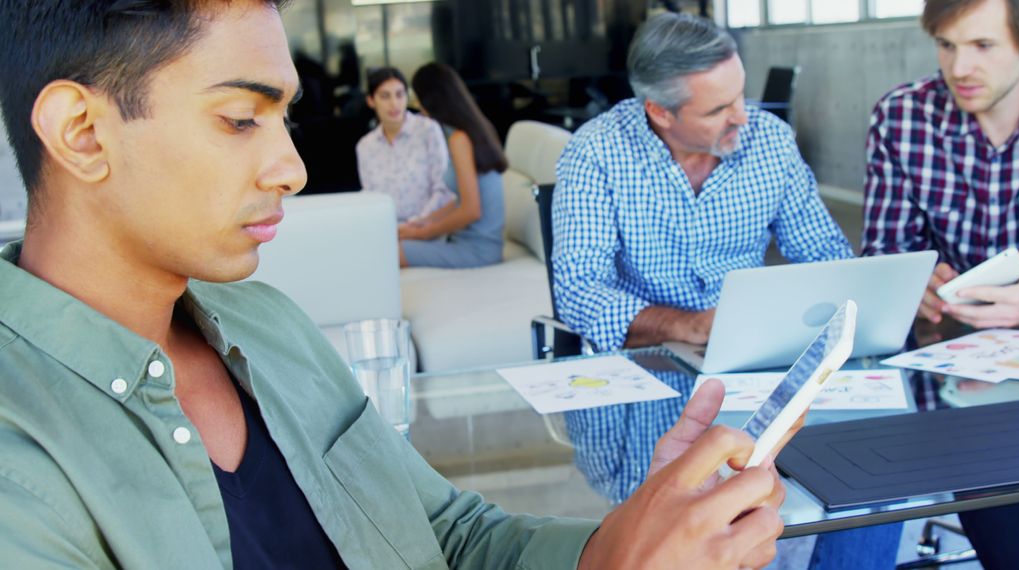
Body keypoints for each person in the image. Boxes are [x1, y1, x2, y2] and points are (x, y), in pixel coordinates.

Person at [0, 1, 791, 567]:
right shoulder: (19, 461)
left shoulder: (267, 324)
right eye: (242, 118)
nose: (293, 168)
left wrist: (616, 544)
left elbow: (449, 533)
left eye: (282, 121)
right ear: (82, 132)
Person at [552, 12, 902, 570]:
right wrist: (687, 324)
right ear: (659, 112)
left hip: (762, 367)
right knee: (694, 530)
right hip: (646, 382)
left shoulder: (770, 142)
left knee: (876, 473)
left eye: (740, 95)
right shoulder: (595, 153)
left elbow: (828, 257)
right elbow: (577, 289)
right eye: (717, 109)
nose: (744, 116)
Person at [861, 0, 1019, 567]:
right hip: (958, 371)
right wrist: (911, 281)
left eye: (983, 46)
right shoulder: (902, 116)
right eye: (947, 45)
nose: (959, 67)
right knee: (1013, 534)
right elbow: (883, 256)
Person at [397, 62, 507, 268]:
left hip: (478, 250)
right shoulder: (470, 130)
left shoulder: (459, 139)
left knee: (391, 252)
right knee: (396, 240)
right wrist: (425, 221)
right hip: (470, 243)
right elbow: (460, 202)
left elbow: (471, 210)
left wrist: (422, 233)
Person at [356, 66, 454, 222]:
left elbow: (443, 190)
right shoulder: (365, 146)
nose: (394, 103)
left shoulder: (428, 130)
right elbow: (371, 199)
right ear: (371, 101)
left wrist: (414, 226)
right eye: (385, 96)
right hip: (384, 230)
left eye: (400, 95)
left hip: (426, 228)